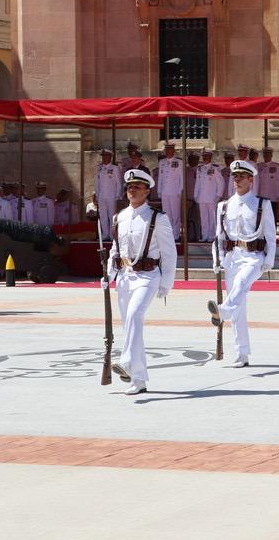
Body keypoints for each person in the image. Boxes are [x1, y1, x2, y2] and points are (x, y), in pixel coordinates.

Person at [105, 169, 176, 394]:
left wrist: (166, 283)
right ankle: (139, 379)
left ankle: (126, 361)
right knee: (130, 325)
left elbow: (169, 252)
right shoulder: (120, 217)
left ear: (147, 190)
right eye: (129, 187)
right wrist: (109, 274)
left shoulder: (157, 218)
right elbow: (115, 248)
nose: (132, 190)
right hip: (125, 277)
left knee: (135, 316)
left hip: (148, 275)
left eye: (137, 186)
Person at [207, 160, 277, 368]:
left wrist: (269, 260)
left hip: (254, 255)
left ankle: (224, 311)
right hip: (232, 256)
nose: (237, 180)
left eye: (241, 177)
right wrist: (217, 259)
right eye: (234, 176)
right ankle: (241, 353)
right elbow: (219, 237)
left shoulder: (262, 204)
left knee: (242, 283)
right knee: (239, 307)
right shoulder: (224, 206)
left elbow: (271, 235)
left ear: (251, 180)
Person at [155, 142, 184, 240]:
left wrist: (180, 191)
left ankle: (176, 234)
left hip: (175, 191)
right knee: (166, 214)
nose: (168, 152)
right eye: (166, 150)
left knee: (175, 214)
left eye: (170, 150)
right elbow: (161, 177)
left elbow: (182, 178)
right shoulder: (162, 162)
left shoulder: (179, 162)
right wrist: (159, 191)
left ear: (173, 151)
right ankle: (168, 234)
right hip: (164, 191)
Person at [194, 149, 224, 242]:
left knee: (212, 217)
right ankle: (205, 236)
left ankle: (212, 236)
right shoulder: (199, 168)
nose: (205, 158)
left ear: (210, 157)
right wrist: (195, 194)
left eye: (207, 156)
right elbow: (197, 183)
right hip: (202, 197)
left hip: (212, 197)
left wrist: (218, 195)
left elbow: (221, 182)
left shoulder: (215, 168)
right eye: (204, 156)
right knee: (204, 218)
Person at [95, 149, 121, 239]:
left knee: (112, 215)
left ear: (110, 157)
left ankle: (111, 234)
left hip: (111, 195)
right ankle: (105, 234)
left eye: (106, 156)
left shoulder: (115, 168)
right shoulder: (99, 168)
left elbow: (118, 182)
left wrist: (118, 195)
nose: (104, 158)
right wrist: (97, 195)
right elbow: (97, 183)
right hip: (102, 195)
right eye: (103, 156)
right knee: (103, 215)